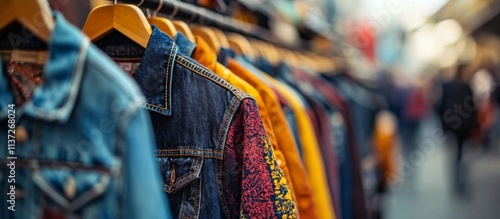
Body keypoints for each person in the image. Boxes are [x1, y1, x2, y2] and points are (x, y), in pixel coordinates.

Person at [437, 64, 478, 195]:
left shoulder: (451, 87)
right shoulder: (464, 87)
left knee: (458, 155)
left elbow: (441, 107)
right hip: (459, 126)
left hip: (458, 127)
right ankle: (458, 181)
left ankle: (458, 181)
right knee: (458, 155)